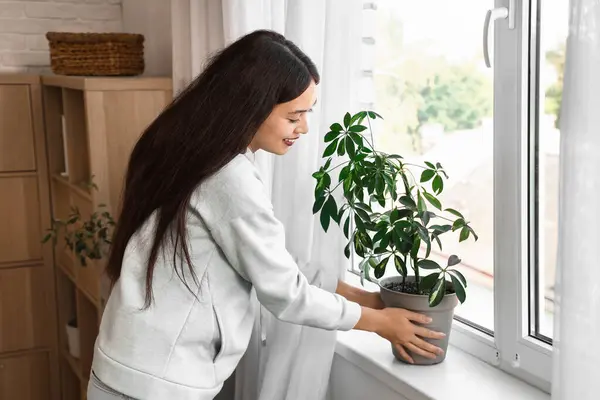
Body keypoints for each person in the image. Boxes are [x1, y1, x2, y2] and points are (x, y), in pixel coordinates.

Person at [87, 30, 445, 400]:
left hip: (127, 366)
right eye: (295, 115)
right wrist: (379, 323)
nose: (304, 127)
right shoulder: (229, 177)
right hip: (154, 383)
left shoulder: (192, 150)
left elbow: (267, 259)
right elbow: (285, 292)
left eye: (308, 112)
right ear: (252, 106)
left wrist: (362, 297)